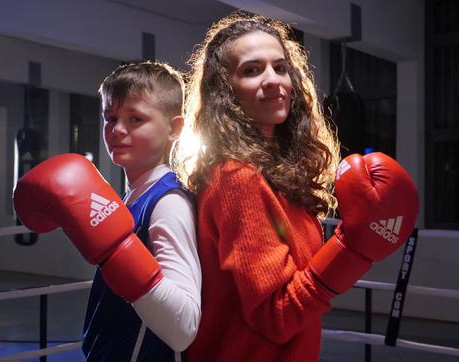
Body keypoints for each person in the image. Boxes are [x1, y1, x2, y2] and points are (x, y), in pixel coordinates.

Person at [172, 13, 419, 362]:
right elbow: (279, 314)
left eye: (280, 67)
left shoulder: (278, 174)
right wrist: (352, 250)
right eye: (252, 70)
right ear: (225, 91)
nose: (273, 80)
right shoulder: (236, 178)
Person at [14, 62, 200, 362]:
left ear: (174, 129)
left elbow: (183, 326)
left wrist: (117, 252)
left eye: (136, 118)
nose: (117, 130)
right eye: (110, 118)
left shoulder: (168, 203)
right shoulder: (131, 197)